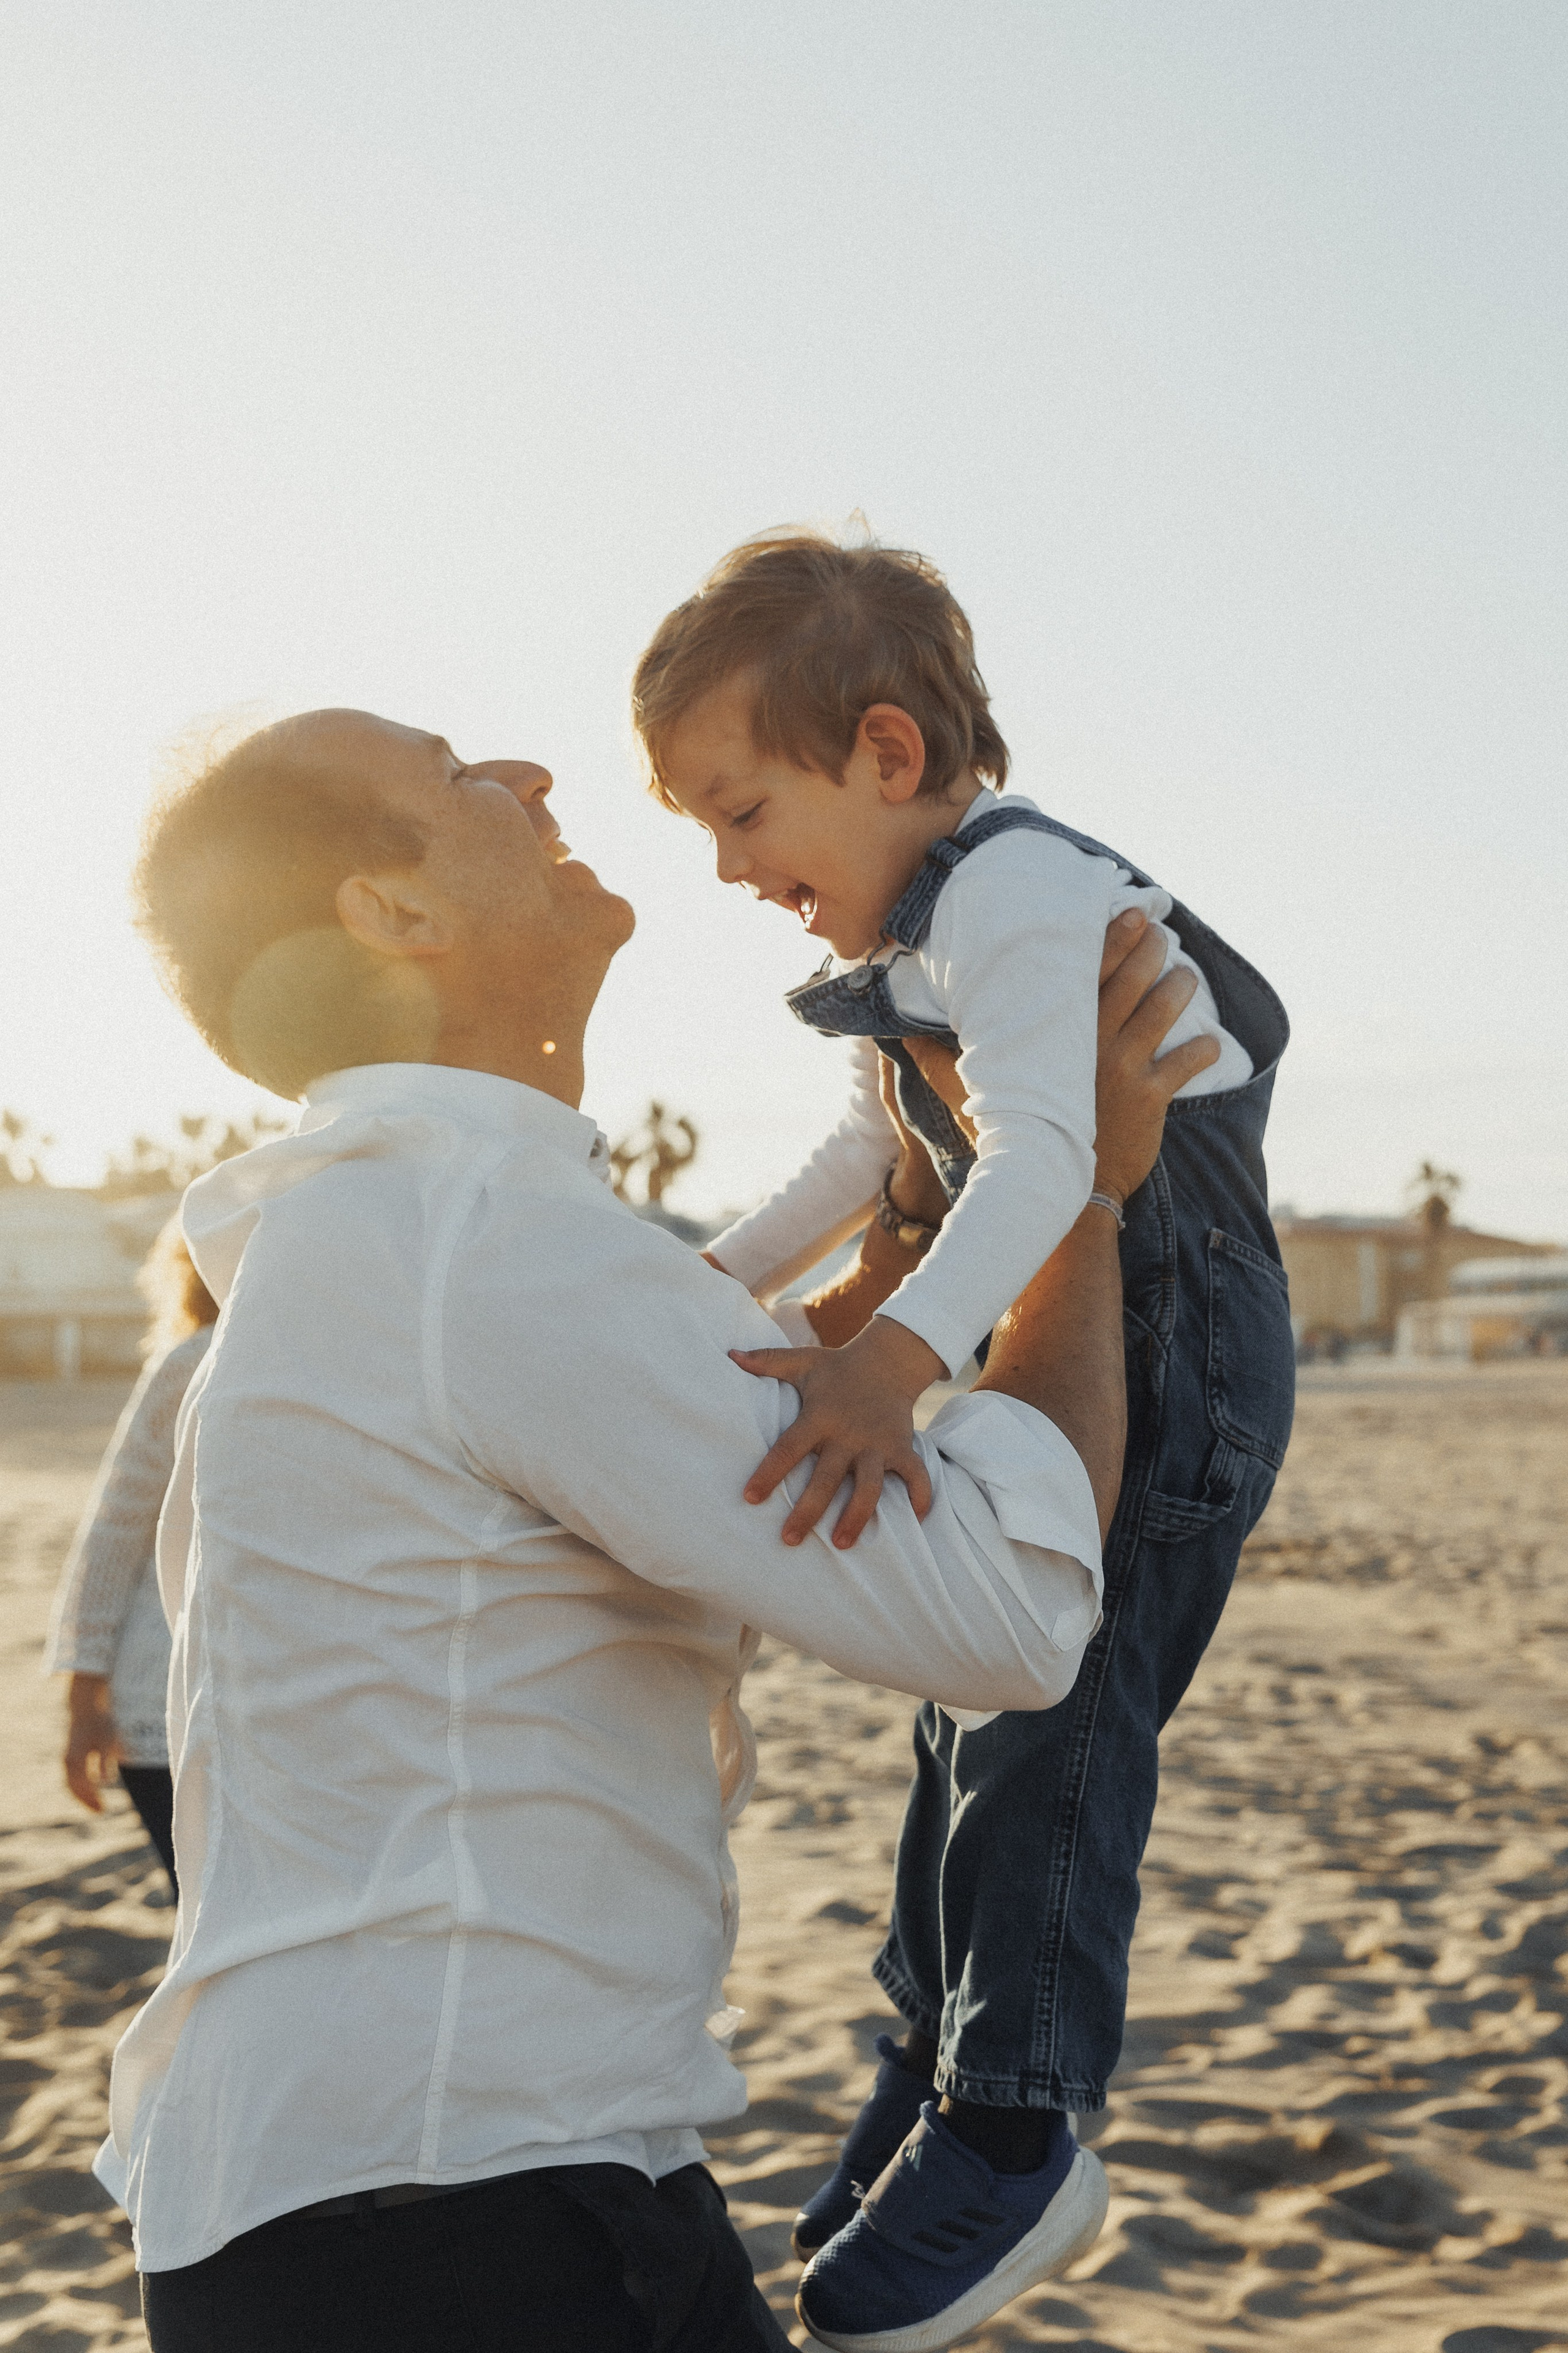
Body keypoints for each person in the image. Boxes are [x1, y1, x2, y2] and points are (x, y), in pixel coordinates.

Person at [97, 708, 1204, 2353]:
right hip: (457, 2233)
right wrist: (1084, 1201)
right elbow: (1009, 1617)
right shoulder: (489, 1243)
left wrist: (913, 1223)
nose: (534, 779)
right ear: (396, 917)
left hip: (429, 2195)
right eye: (461, 775)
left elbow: (695, 1387)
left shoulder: (370, 1237)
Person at [631, 532, 1298, 2347]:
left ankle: (1014, 2123)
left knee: (1050, 1720)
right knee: (961, 1709)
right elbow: (864, 1160)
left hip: (1172, 1362)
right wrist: (693, 1288)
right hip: (1054, 1350)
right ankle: (923, 2064)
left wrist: (887, 1355)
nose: (728, 864)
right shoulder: (911, 937)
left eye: (742, 808)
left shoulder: (1016, 897)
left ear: (886, 755)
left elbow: (1051, 1154)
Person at [46, 1216, 219, 1896]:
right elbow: (116, 1528)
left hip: (229, 1705)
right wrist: (83, 1694)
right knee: (208, 1920)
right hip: (161, 1701)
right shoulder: (193, 1362)